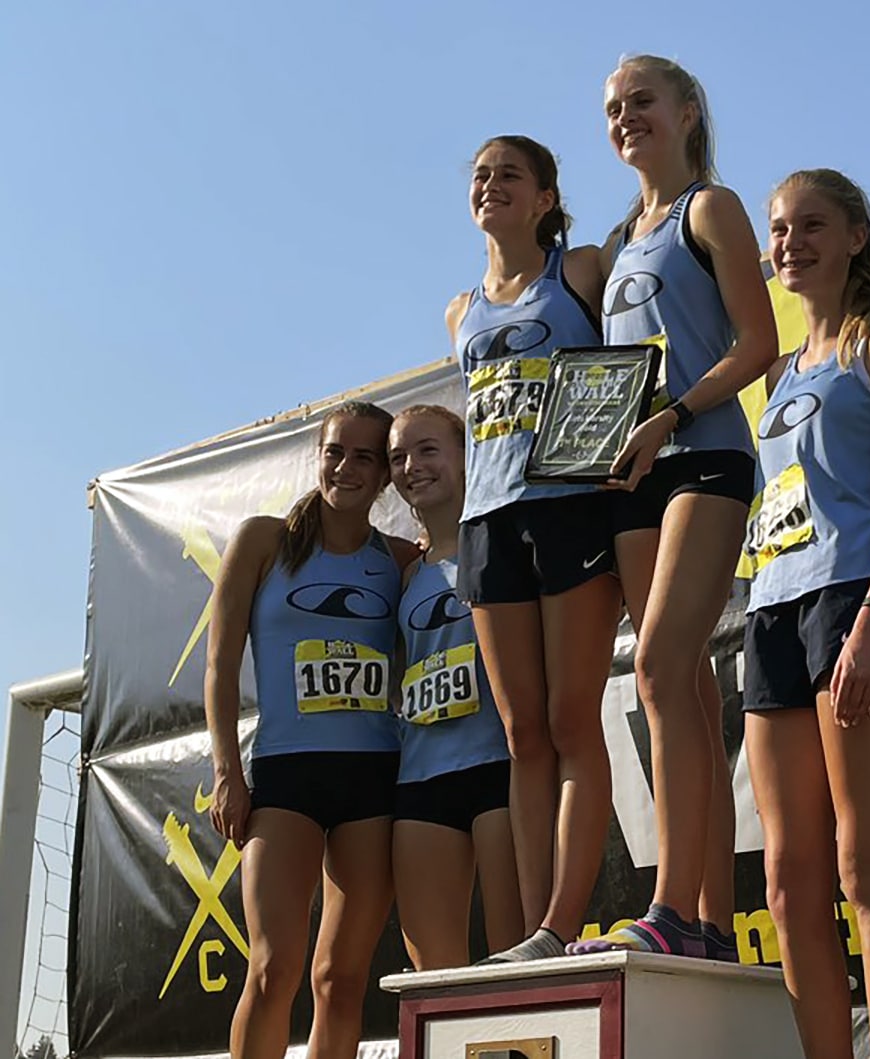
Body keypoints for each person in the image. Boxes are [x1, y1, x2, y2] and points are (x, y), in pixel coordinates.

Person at [567, 54, 778, 960]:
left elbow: (760, 343)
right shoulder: (619, 240)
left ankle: (672, 910)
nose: (625, 119)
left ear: (688, 111)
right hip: (633, 476)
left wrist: (672, 414)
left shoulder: (710, 208)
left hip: (705, 457)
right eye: (613, 109)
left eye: (641, 101)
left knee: (656, 665)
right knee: (684, 687)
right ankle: (712, 925)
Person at [741, 169, 870, 1059]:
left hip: (856, 603)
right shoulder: (780, 376)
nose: (792, 244)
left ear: (857, 234)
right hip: (774, 614)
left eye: (812, 225)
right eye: (780, 231)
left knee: (869, 865)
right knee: (788, 881)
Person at [448, 136, 619, 963]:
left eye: (510, 175)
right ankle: (528, 936)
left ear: (547, 196)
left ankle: (562, 921)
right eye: (481, 176)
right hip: (486, 518)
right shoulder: (459, 311)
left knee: (570, 718)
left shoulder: (581, 270)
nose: (492, 186)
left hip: (568, 505)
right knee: (521, 735)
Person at [206, 401, 418, 1059]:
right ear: (317, 456)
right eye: (334, 451)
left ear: (385, 474)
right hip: (283, 778)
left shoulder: (404, 559)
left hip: (374, 779)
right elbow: (219, 664)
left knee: (341, 977)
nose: (345, 466)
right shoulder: (262, 541)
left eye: (364, 456)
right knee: (273, 969)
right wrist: (226, 774)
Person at [387, 403, 523, 968]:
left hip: (500, 770)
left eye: (428, 450)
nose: (412, 466)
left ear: (466, 457)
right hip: (420, 780)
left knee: (515, 962)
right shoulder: (403, 572)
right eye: (398, 457)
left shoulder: (506, 540)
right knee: (434, 981)